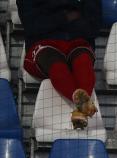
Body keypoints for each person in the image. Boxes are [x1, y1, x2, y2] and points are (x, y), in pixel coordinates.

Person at [18, 0, 102, 130]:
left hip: (78, 39)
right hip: (43, 43)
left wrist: (54, 21)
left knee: (83, 61)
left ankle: (80, 112)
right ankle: (84, 107)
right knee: (57, 65)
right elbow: (32, 26)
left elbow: (94, 26)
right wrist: (66, 17)